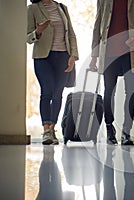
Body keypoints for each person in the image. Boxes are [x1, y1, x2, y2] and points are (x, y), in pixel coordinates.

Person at [90, 0, 134, 145]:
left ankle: (127, 132)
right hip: (109, 53)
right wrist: (94, 57)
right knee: (109, 91)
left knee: (131, 92)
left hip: (130, 52)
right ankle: (110, 129)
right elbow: (97, 25)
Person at [27, 0, 79, 145]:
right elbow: (27, 37)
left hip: (63, 56)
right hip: (43, 58)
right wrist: (37, 32)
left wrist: (73, 55)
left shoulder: (62, 8)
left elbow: (71, 34)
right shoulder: (33, 9)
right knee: (47, 91)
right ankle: (46, 131)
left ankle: (52, 129)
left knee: (58, 94)